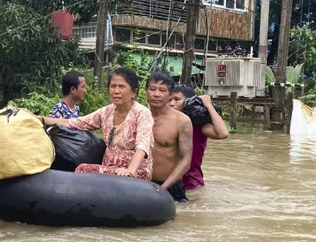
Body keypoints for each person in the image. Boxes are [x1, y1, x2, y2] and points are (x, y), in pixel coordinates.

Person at [35, 67, 154, 181]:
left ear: (134, 92)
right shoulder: (106, 112)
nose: (116, 91)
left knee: (83, 170)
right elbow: (74, 122)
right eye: (113, 86)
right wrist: (40, 119)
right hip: (109, 169)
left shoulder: (142, 113)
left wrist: (130, 170)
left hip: (134, 172)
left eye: (122, 86)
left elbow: (142, 146)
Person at [170, 84, 230, 191]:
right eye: (169, 100)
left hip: (191, 183)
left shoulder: (199, 127)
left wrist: (208, 105)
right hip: (169, 180)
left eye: (176, 99)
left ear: (189, 102)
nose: (171, 104)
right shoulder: (165, 123)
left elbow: (223, 134)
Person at [147, 71, 193, 202]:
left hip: (170, 186)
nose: (156, 94)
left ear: (170, 95)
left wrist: (163, 189)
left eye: (162, 90)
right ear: (145, 92)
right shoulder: (138, 116)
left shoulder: (182, 121)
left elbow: (186, 161)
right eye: (152, 89)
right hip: (142, 184)